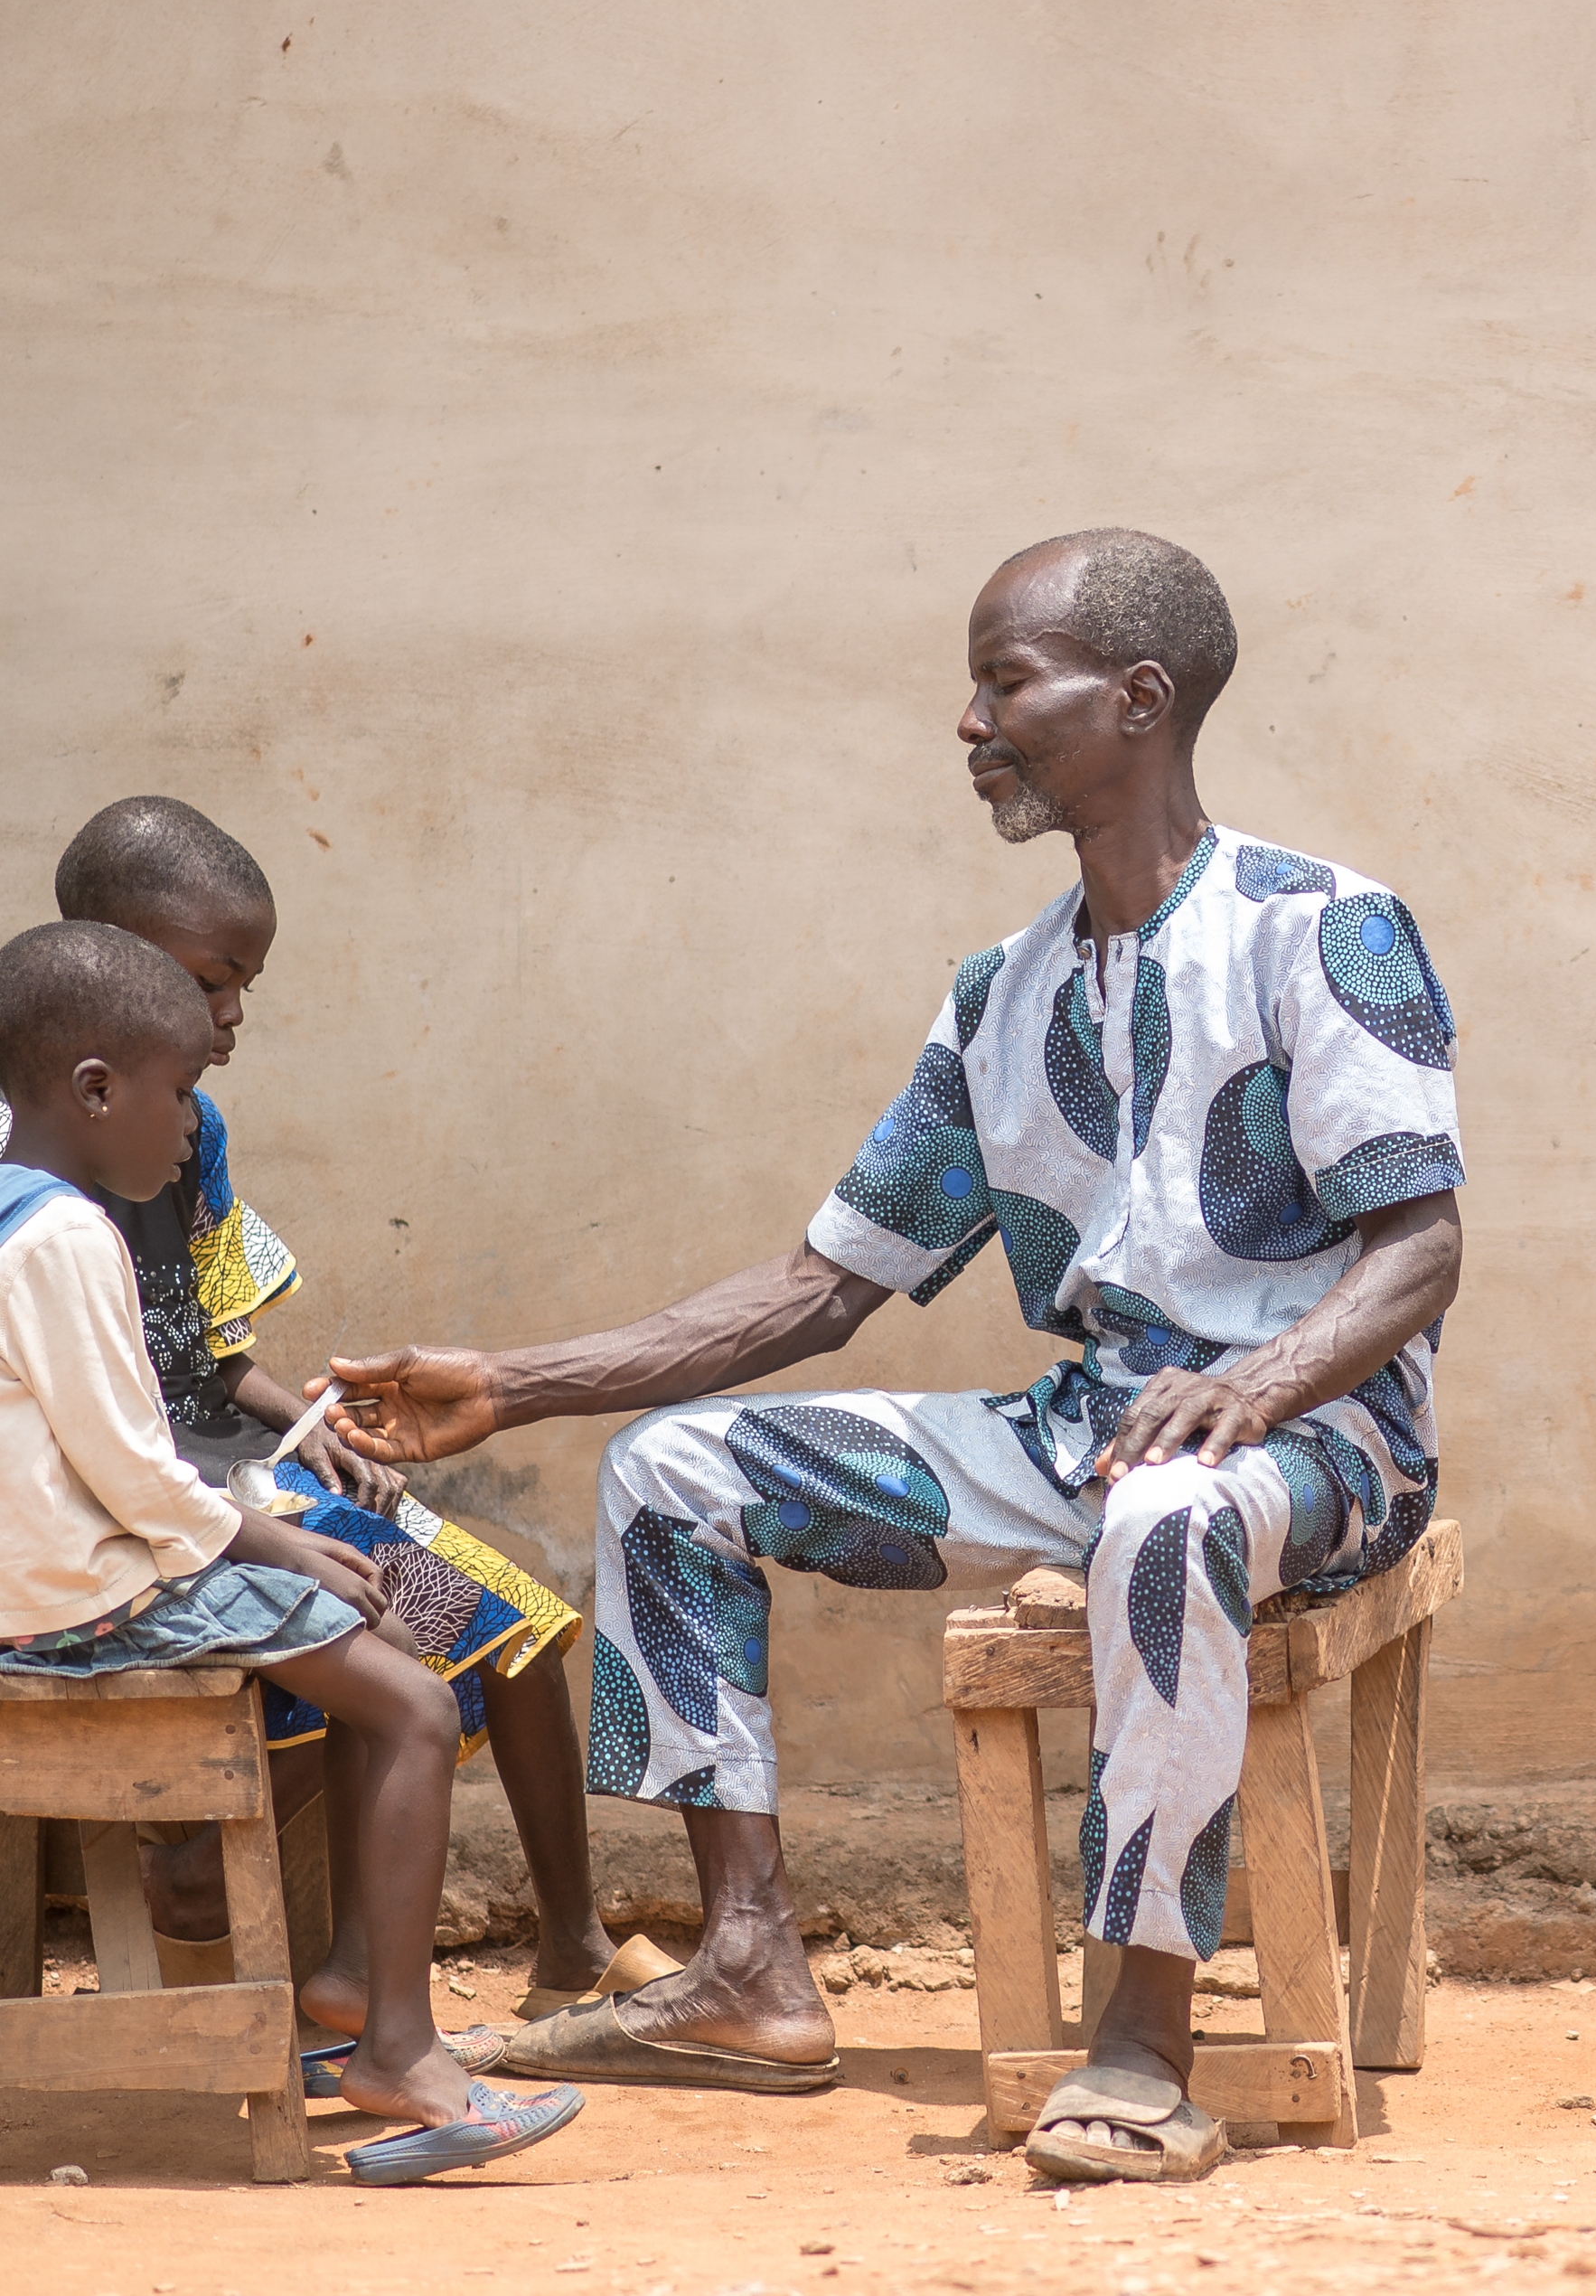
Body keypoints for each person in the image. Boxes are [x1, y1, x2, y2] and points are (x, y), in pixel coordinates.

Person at [322, 528, 1466, 2187]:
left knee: (1171, 1514)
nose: (970, 721)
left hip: (1323, 1441)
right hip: (1083, 1427)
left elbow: (1419, 1246)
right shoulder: (1001, 996)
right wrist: (517, 1382)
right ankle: (747, 1969)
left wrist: (1260, 1385)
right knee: (675, 1472)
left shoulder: (1326, 931)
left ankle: (1143, 2041)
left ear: (1138, 699)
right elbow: (821, 1284)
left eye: (1007, 682)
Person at [24, 796, 638, 2023]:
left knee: (515, 1619)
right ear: (117, 957)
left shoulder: (188, 1128)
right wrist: (259, 1490)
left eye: (242, 983)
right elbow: (112, 1426)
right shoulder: (35, 1166)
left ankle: (568, 1939)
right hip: (137, 1497)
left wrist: (319, 1424)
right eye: (212, 980)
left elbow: (205, 1349)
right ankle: (295, 1923)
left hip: (207, 1462)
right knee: (423, 1606)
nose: (232, 1013)